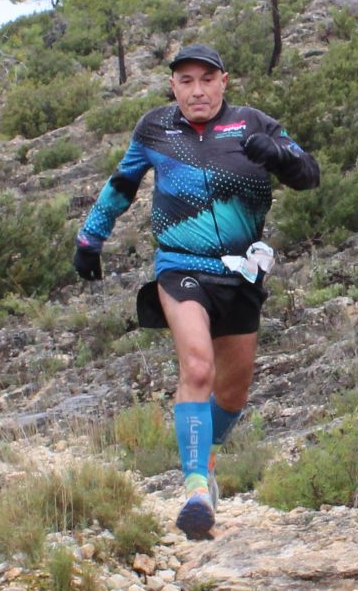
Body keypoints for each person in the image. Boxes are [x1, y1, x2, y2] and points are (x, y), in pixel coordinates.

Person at [74, 43, 319, 538]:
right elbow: (121, 184)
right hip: (181, 266)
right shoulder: (154, 128)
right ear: (173, 87)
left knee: (233, 391)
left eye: (207, 79)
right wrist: (90, 238)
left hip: (242, 274)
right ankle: (194, 491)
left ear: (223, 81)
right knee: (198, 367)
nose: (197, 90)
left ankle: (205, 460)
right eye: (186, 81)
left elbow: (308, 174)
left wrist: (278, 155)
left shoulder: (252, 123)